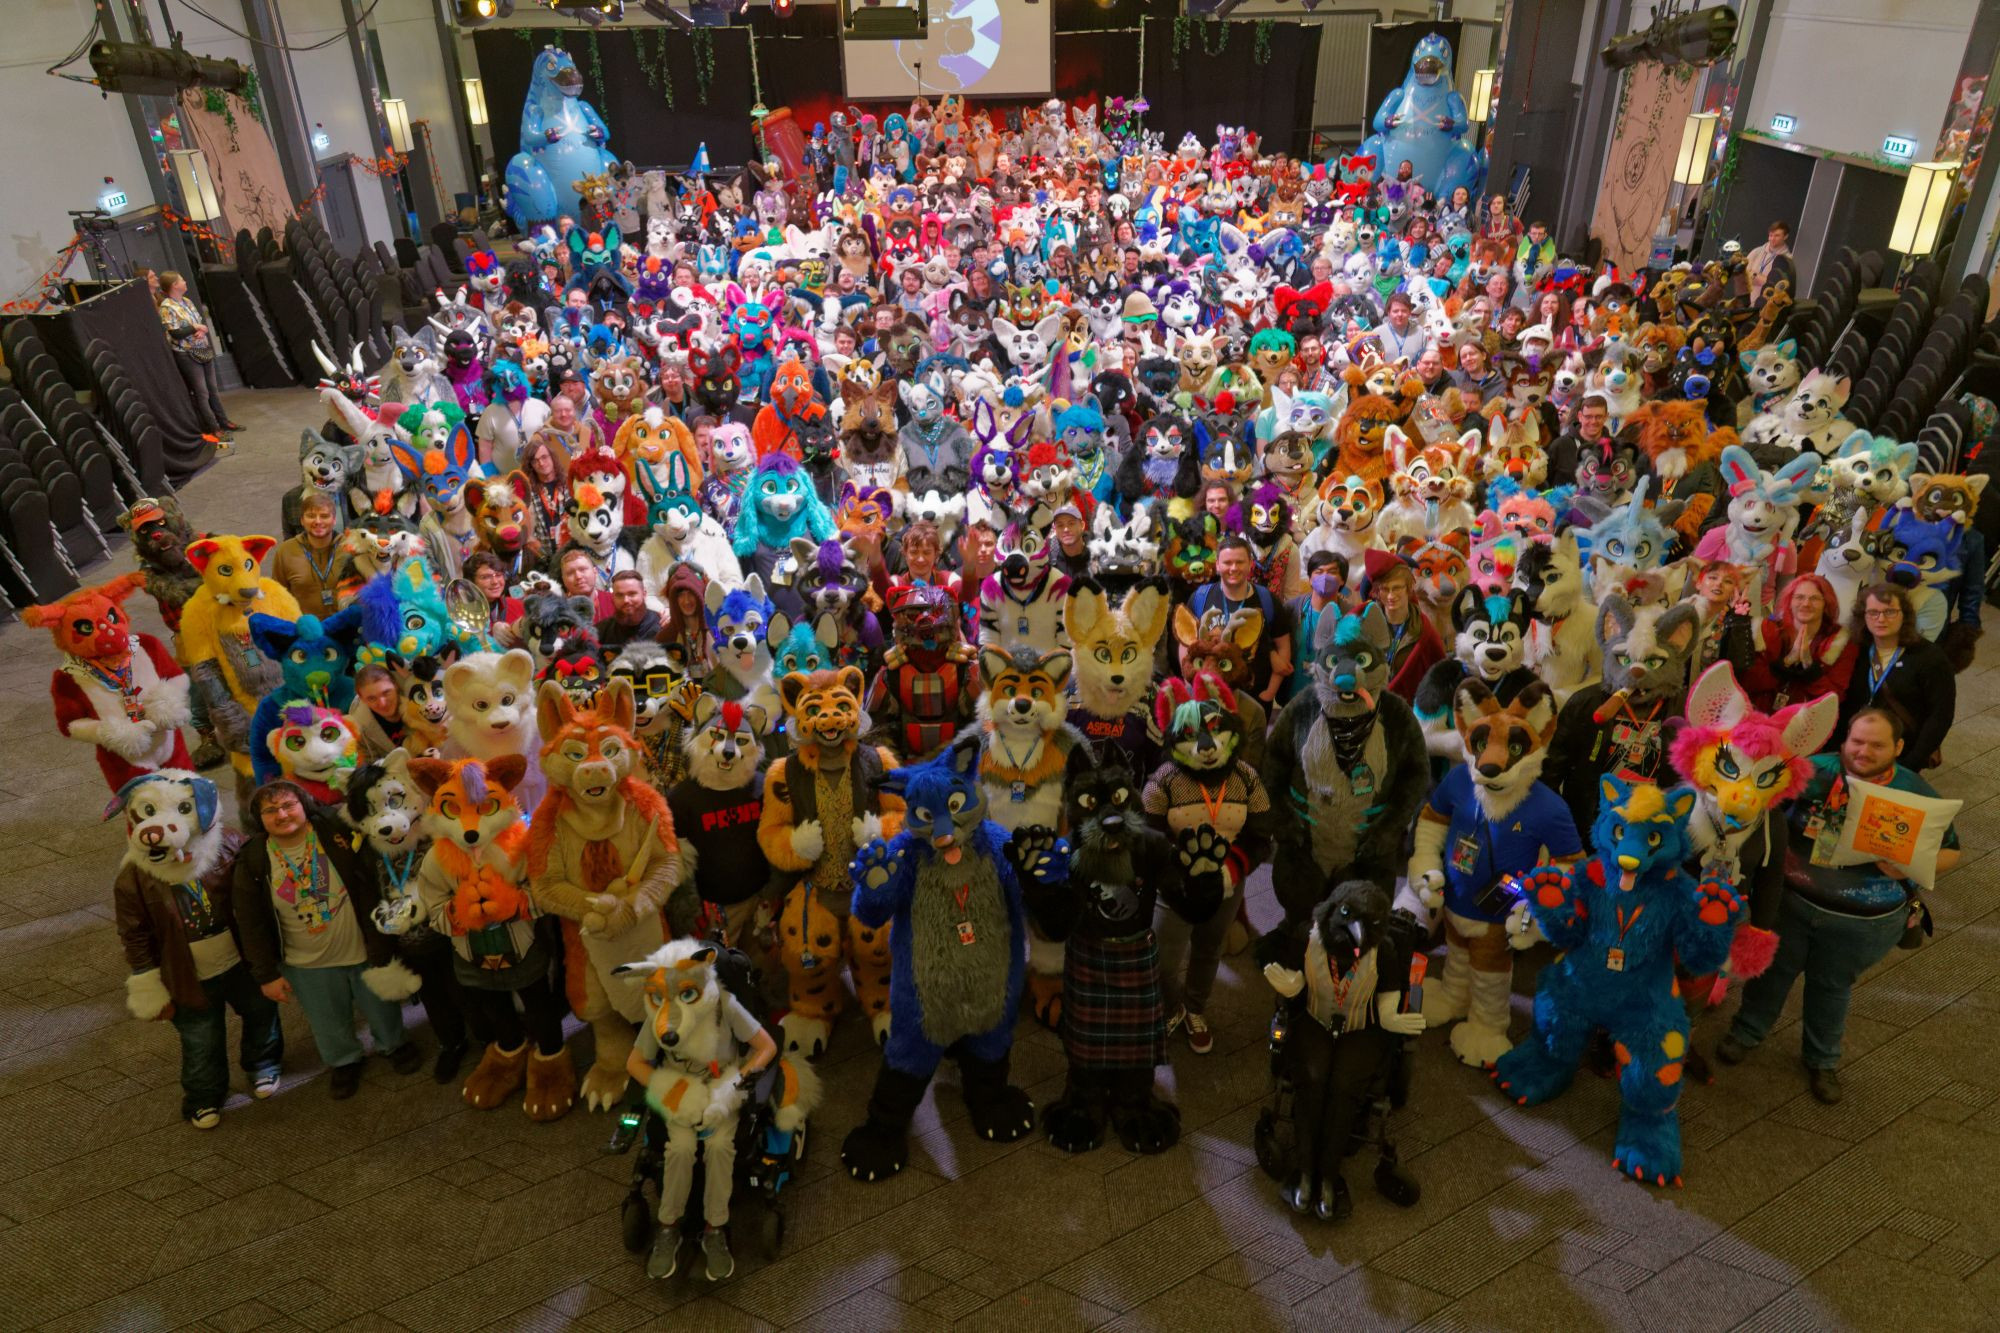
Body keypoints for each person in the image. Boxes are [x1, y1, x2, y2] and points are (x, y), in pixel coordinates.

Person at [1718, 708, 1960, 1103]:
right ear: (1844, 741)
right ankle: (1746, 1032)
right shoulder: (1810, 772)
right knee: (1771, 973)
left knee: (1831, 989)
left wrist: (1908, 867)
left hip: (1861, 922)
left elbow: (1953, 852)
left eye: (1877, 745)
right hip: (1791, 904)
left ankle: (1821, 1060)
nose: (1864, 752)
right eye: (1857, 741)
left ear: (1898, 748)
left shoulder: (1915, 792)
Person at [232, 781, 421, 1099]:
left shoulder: (337, 831)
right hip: (305, 962)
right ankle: (344, 1061)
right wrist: (266, 974)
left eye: (289, 805)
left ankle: (394, 1045)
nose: (281, 814)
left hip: (360, 946)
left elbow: (372, 874)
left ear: (305, 805)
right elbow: (250, 923)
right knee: (326, 1019)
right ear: (258, 818)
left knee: (381, 1006)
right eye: (270, 810)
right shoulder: (253, 859)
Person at [114, 793, 283, 1129]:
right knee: (201, 1039)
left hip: (240, 959)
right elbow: (134, 935)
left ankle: (263, 1064)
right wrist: (147, 984)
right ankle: (204, 1096)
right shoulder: (134, 877)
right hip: (185, 973)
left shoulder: (226, 843)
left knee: (261, 1013)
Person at [1838, 582, 1954, 769]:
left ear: (1905, 616)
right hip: (1856, 750)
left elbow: (1940, 715)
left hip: (1901, 754)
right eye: (1873, 613)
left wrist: (1912, 763)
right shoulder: (1857, 650)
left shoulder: (1930, 658)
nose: (1881, 619)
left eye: (1890, 612)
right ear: (1863, 617)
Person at [1183, 537, 1294, 704]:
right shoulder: (1200, 598)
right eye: (1227, 562)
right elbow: (1186, 644)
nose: (1233, 568)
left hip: (1255, 697)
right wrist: (1190, 684)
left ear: (1250, 564)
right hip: (1208, 695)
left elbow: (1283, 645)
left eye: (1240, 562)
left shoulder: (1267, 600)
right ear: (1217, 565)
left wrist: (1270, 692)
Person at [1742, 574, 1856, 712]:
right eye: (1799, 597)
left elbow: (1835, 697)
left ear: (1826, 604)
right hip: (1757, 715)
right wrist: (1786, 662)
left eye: (1814, 599)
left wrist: (1809, 668)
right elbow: (1747, 682)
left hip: (1806, 722)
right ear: (1789, 601)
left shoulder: (1840, 641)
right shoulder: (1765, 630)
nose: (1806, 604)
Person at [156, 270, 241, 441]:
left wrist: (201, 330)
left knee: (213, 390)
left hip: (202, 349)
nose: (185, 281)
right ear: (174, 285)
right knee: (202, 393)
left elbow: (199, 322)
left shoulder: (187, 301)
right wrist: (196, 328)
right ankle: (213, 427)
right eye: (181, 280)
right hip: (187, 354)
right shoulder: (167, 307)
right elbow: (176, 333)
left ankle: (223, 421)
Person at [1357, 549, 1444, 702]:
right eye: (1385, 589)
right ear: (1377, 591)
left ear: (1408, 589)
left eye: (1397, 587)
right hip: (1370, 707)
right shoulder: (1365, 624)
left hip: (1408, 709)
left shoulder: (1423, 630)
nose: (1390, 596)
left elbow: (1439, 675)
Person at [268, 492, 343, 619]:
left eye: (324, 516)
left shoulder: (349, 548)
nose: (318, 521)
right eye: (311, 516)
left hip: (346, 628)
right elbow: (277, 595)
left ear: (334, 520)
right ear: (302, 520)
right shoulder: (286, 551)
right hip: (304, 630)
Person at [347, 662, 410, 762]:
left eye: (386, 693)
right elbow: (372, 765)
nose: (382, 703)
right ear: (362, 698)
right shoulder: (360, 729)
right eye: (372, 698)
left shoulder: (416, 698)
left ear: (395, 685)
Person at [1545, 392, 1610, 488]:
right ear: (1580, 416)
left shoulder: (1614, 447)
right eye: (1588, 416)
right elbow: (1546, 481)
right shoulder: (1560, 445)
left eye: (1599, 417)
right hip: (1563, 501)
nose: (1593, 421)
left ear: (1606, 417)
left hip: (1601, 501)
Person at [597, 569, 664, 656]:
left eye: (632, 594)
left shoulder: (661, 627)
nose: (626, 600)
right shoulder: (602, 629)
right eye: (620, 595)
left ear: (644, 594)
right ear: (613, 598)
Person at [558, 545, 618, 620]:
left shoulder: (615, 601)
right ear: (563, 580)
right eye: (570, 573)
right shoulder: (557, 612)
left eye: (582, 569)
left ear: (595, 572)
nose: (578, 576)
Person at [1746, 220, 1796, 304]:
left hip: (1766, 306)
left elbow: (1777, 287)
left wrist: (1755, 275)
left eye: (1777, 236)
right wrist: (1763, 279)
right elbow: (1743, 275)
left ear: (1785, 236)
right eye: (1770, 235)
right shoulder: (1757, 251)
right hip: (1747, 301)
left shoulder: (1786, 260)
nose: (1772, 239)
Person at [1372, 292, 1428, 364]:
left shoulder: (1421, 332)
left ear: (1410, 312)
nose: (1400, 314)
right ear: (1388, 313)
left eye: (1404, 311)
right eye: (1395, 311)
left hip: (1413, 374)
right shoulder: (1377, 333)